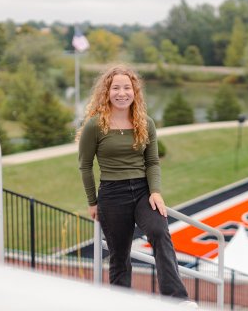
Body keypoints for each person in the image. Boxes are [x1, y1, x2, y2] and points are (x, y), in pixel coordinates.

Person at [77, 65, 195, 305]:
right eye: (116, 87)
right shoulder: (95, 125)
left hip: (143, 192)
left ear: (135, 91)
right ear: (106, 92)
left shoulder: (145, 123)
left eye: (127, 87)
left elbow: (152, 162)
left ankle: (176, 300)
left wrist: (155, 192)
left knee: (159, 232)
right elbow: (85, 166)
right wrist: (92, 201)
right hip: (112, 195)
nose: (122, 93)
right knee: (119, 258)